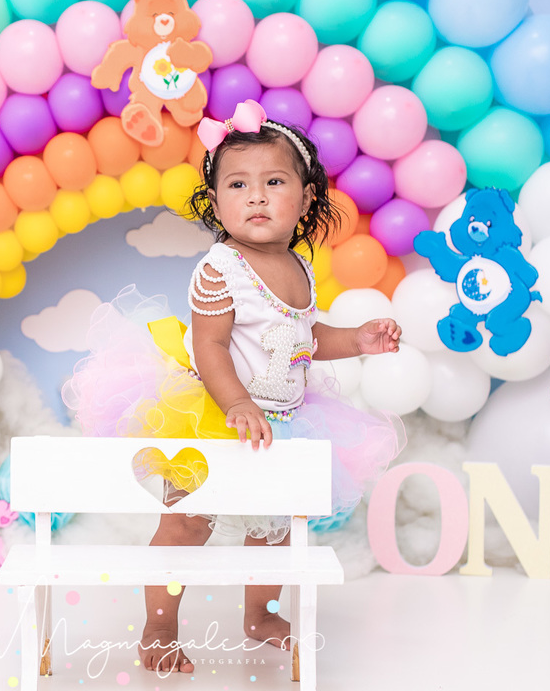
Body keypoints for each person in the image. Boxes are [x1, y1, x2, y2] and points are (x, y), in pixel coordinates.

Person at [62, 99, 405, 675]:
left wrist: (358, 340)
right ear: (216, 202)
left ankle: (261, 616)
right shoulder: (221, 268)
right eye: (238, 184)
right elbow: (211, 346)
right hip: (214, 414)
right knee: (186, 523)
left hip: (280, 420)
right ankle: (159, 628)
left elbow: (304, 338)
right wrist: (238, 402)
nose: (257, 197)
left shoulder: (299, 266)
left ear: (307, 199)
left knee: (273, 529)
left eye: (274, 182)